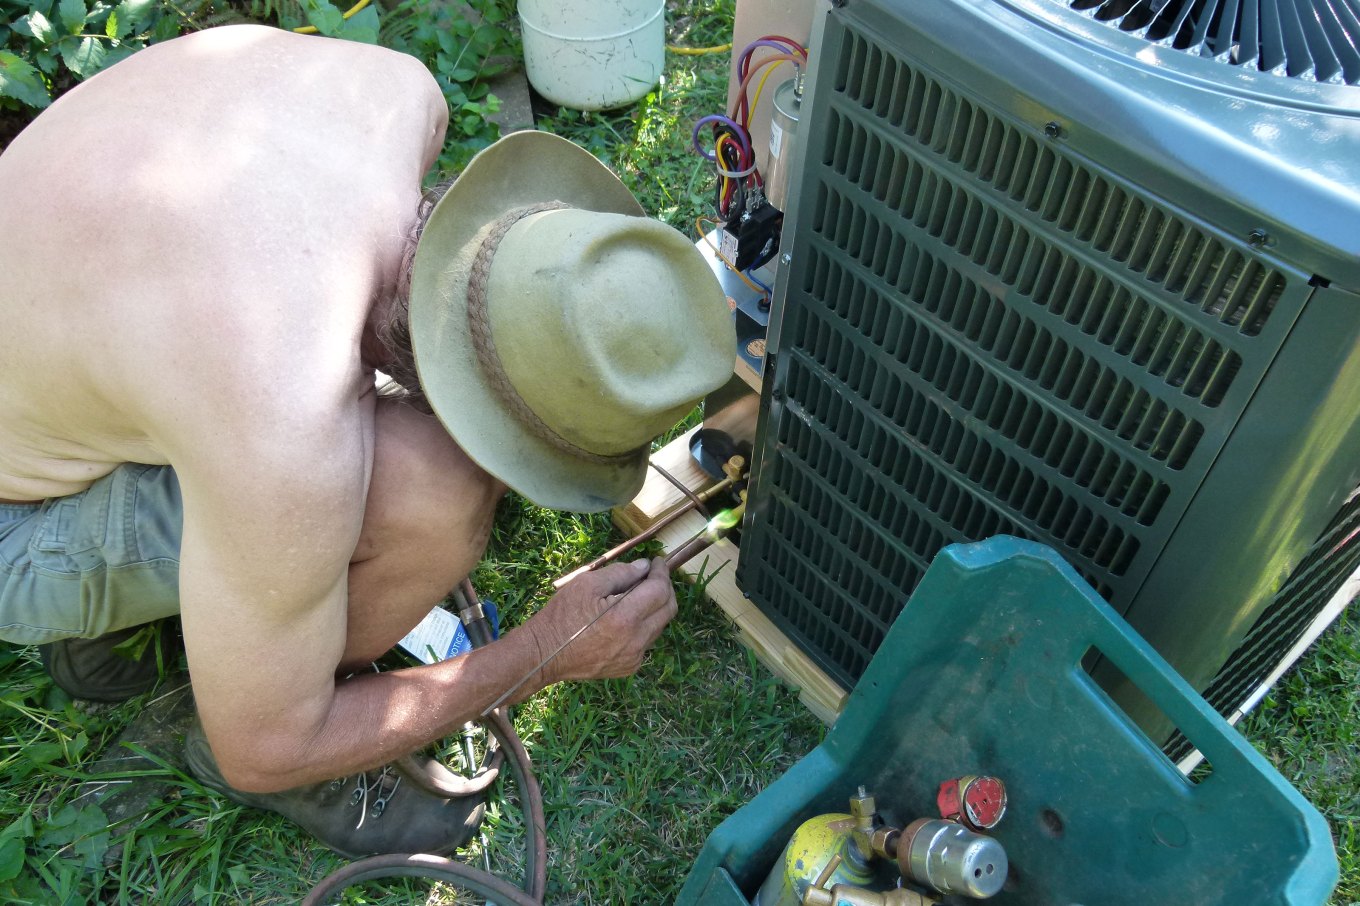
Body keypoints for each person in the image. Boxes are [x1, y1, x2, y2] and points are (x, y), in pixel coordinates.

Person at [0, 25, 735, 856]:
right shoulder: (283, 415)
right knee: (432, 495)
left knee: (237, 432)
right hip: (14, 522)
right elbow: (263, 749)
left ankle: (142, 619)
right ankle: (217, 672)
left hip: (69, 350)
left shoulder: (393, 94)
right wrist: (542, 651)